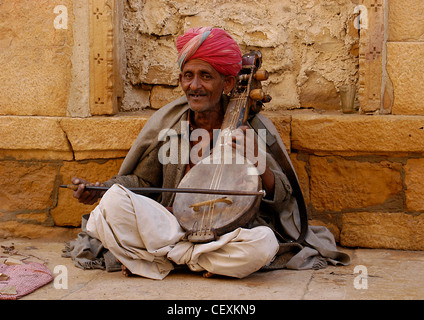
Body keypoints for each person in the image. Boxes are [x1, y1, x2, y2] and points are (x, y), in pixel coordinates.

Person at [69, 27, 349, 280]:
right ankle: (193, 260)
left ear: (227, 84)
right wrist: (101, 188)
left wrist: (259, 163)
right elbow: (143, 182)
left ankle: (161, 259)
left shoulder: (251, 128)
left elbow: (284, 200)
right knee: (110, 207)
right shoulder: (172, 127)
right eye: (188, 76)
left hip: (228, 234)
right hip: (173, 228)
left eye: (206, 76)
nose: (194, 86)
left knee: (264, 243)